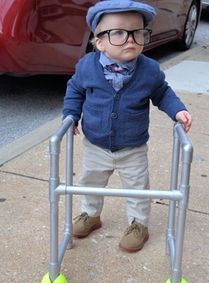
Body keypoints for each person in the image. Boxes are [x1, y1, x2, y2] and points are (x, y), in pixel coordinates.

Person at [62, 0, 192, 252]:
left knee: (137, 187)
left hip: (132, 147)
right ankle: (90, 214)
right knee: (90, 182)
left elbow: (163, 93)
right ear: (99, 41)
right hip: (96, 145)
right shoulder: (87, 66)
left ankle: (138, 224)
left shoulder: (149, 70)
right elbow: (75, 90)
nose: (130, 39)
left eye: (137, 32)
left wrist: (178, 110)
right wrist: (70, 115)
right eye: (118, 33)